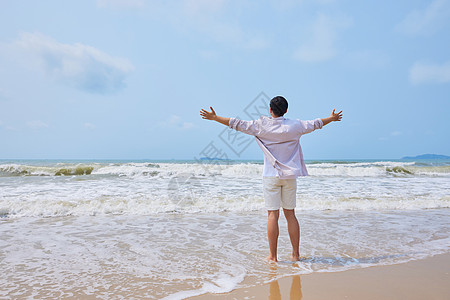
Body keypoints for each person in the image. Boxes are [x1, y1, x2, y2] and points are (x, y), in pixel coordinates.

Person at [200, 96, 342, 262]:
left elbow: (237, 123)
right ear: (286, 110)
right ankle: (295, 254)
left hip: (270, 176)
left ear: (270, 110)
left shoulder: (261, 126)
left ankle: (273, 256)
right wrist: (331, 119)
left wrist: (215, 117)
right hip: (290, 176)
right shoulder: (295, 126)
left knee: (272, 215)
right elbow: (315, 124)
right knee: (290, 215)